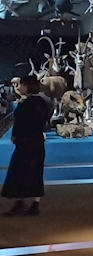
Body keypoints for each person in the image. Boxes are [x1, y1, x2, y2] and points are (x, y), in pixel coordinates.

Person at [2, 74, 52, 216]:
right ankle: (35, 204)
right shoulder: (43, 102)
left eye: (22, 85)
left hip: (25, 141)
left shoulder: (25, 104)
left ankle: (20, 202)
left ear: (27, 86)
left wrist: (15, 136)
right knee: (36, 170)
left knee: (19, 169)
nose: (20, 88)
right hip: (38, 140)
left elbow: (20, 123)